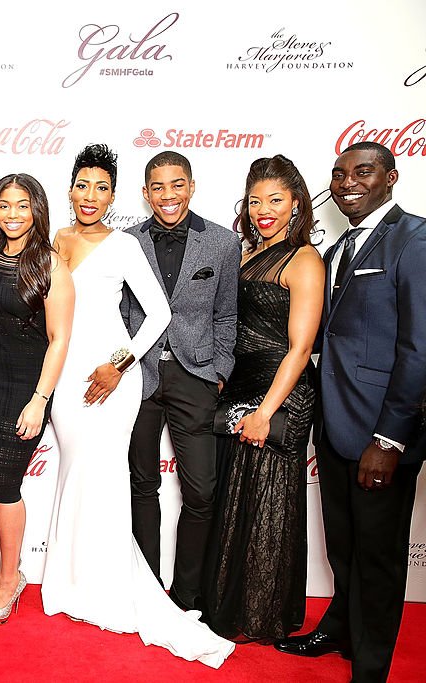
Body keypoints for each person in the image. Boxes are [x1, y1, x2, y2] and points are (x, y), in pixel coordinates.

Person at [42, 144, 234, 668]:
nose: (90, 196)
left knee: (105, 478)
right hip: (65, 377)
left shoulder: (125, 245)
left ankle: (108, 585)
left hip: (112, 375)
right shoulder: (55, 241)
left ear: (114, 195)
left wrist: (120, 364)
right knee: (74, 476)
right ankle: (69, 578)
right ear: (70, 189)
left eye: (102, 187)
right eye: (83, 185)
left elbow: (160, 314)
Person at [275, 142, 426, 682]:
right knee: (342, 544)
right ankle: (339, 626)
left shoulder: (416, 239)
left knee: (379, 557)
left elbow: (419, 350)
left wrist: (389, 440)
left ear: (391, 176)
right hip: (335, 425)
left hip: (380, 435)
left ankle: (370, 666)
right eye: (338, 174)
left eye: (363, 172)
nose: (347, 182)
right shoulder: (340, 246)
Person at [203, 155, 324, 641]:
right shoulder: (247, 253)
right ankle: (229, 605)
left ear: (296, 203)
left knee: (270, 502)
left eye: (275, 200)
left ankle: (262, 614)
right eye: (255, 201)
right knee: (237, 498)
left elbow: (301, 347)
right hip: (241, 389)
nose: (263, 210)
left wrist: (267, 411)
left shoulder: (305, 259)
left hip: (281, 393)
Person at [122, 151, 242, 612]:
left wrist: (219, 372)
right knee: (140, 485)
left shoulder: (222, 243)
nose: (167, 195)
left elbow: (227, 315)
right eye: (157, 187)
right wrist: (121, 364)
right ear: (146, 191)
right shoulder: (127, 241)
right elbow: (121, 315)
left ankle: (189, 592)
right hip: (140, 377)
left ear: (191, 186)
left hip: (197, 376)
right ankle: (146, 587)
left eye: (177, 185)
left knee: (202, 490)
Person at [0, 174, 73, 625]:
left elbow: (59, 339)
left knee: (6, 485)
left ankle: (9, 578)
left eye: (22, 205)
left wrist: (39, 399)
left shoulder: (50, 265)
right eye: (5, 205)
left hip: (24, 390)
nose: (12, 214)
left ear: (37, 211)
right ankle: (10, 569)